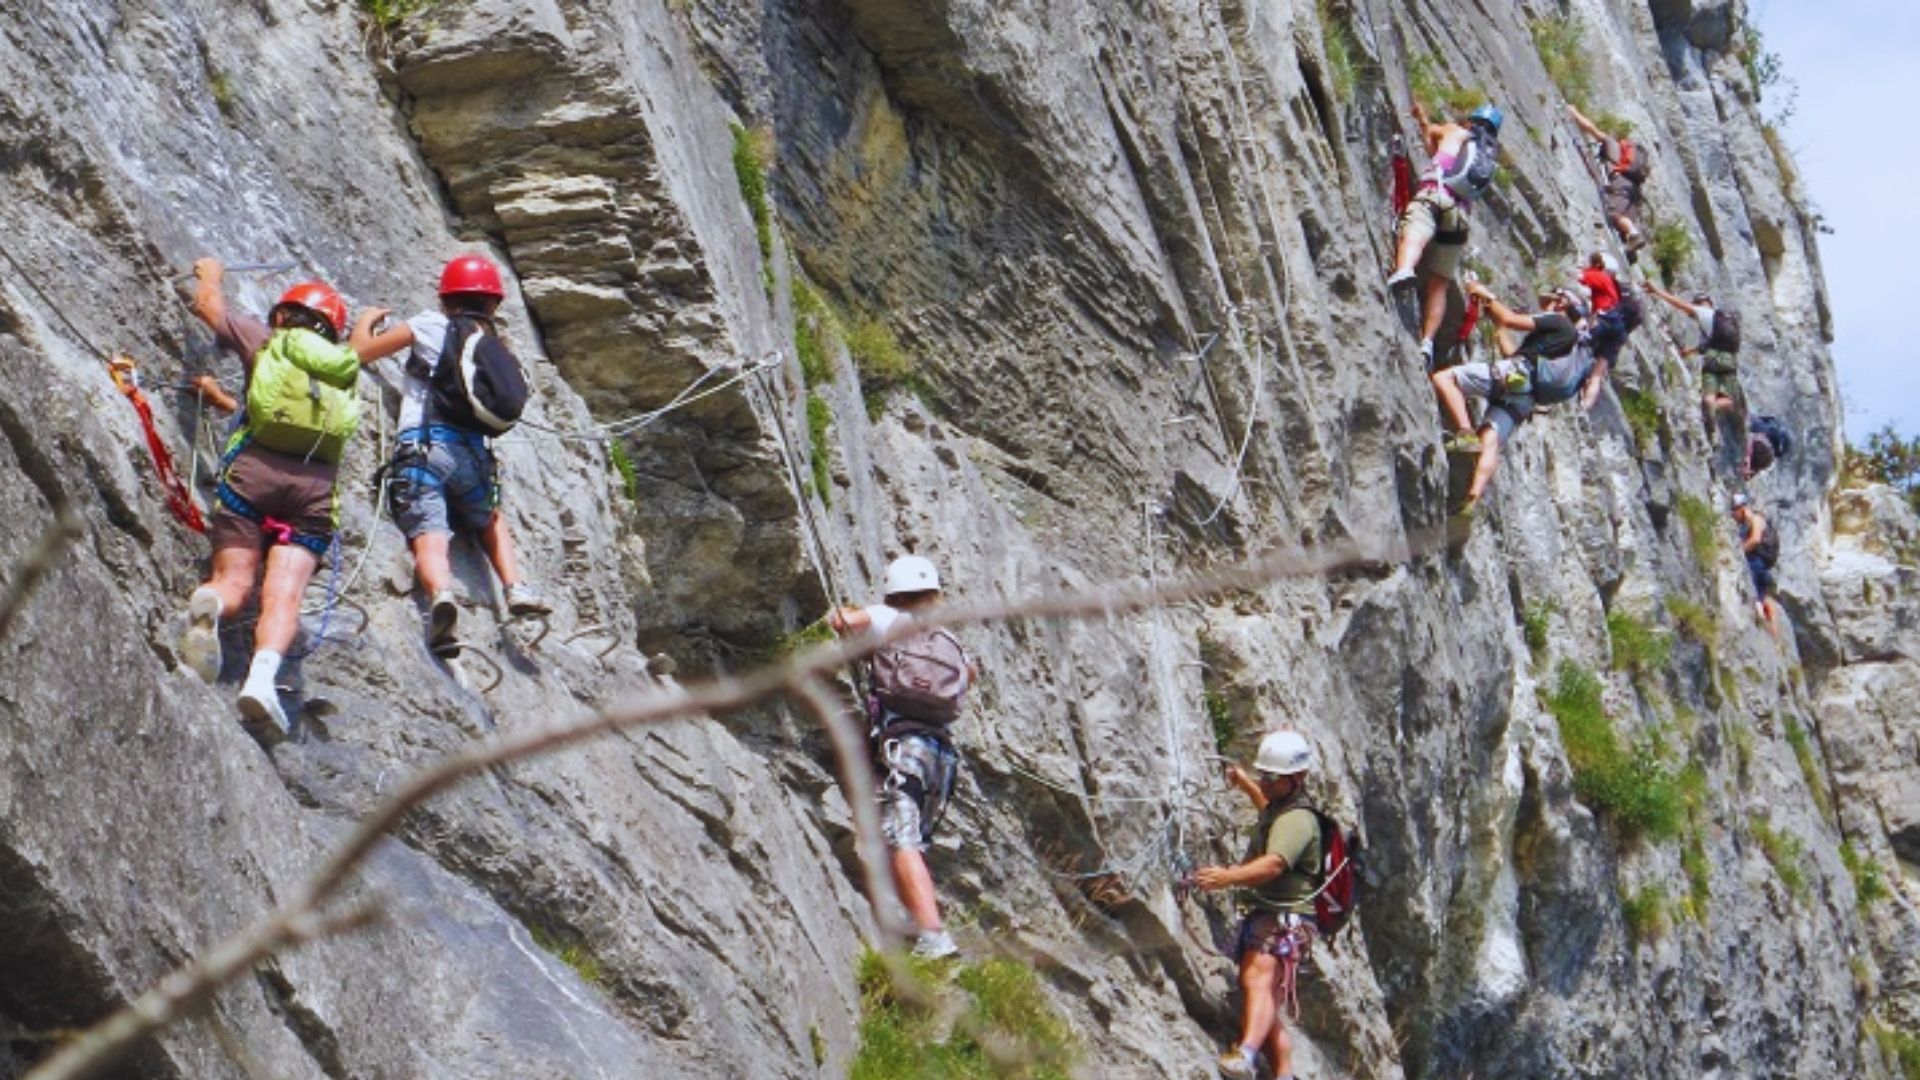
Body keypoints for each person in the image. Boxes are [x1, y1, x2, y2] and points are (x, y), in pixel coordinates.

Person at [177, 259, 391, 742]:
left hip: (253, 474)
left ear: (284, 316)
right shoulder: (342, 370)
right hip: (313, 494)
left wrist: (211, 273)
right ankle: (261, 679)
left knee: (234, 580)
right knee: (285, 595)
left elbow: (207, 307)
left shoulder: (269, 341)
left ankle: (215, 601)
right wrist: (223, 401)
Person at [361, 254, 550, 648]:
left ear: (446, 298)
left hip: (424, 446)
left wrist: (366, 321)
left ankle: (441, 595)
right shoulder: (495, 346)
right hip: (472, 455)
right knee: (490, 518)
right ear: (494, 304)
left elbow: (358, 353)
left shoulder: (429, 325)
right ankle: (516, 587)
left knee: (430, 529)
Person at [829, 555, 977, 960]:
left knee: (902, 839)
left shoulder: (885, 617)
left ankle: (932, 934)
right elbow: (971, 674)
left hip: (904, 743)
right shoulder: (949, 641)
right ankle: (910, 920)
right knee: (910, 839)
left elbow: (843, 622)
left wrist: (840, 613)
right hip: (941, 755)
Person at [1193, 730, 1320, 1080]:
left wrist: (1227, 877)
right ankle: (1285, 1074)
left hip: (1282, 919)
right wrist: (1246, 783)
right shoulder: (1282, 808)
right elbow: (1266, 811)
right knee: (1263, 1000)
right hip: (1277, 914)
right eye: (1263, 775)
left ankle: (1245, 1056)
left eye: (1272, 778)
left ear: (1297, 778)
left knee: (1257, 981)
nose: (1266, 783)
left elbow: (1275, 863)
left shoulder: (1297, 820)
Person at [1431, 283, 1592, 517]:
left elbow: (1508, 318)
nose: (1544, 304)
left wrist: (1486, 296)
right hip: (1526, 397)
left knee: (1445, 379)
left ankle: (1465, 432)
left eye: (1549, 300)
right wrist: (1498, 329)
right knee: (1491, 440)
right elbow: (1513, 351)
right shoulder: (1569, 343)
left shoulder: (1558, 322)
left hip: (1515, 375)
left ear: (1562, 303)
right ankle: (1472, 499)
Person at [1387, 102, 1505, 367]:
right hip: (1460, 217)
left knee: (1415, 230)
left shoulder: (1455, 131)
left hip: (1435, 194)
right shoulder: (1487, 157)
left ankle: (1405, 269)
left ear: (1471, 121)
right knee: (1439, 282)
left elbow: (1432, 140)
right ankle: (1427, 341)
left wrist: (1423, 119)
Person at [1643, 282, 1742, 430]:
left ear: (1702, 303)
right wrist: (1689, 352)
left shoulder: (1704, 312)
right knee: (1730, 399)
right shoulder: (1726, 319)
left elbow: (1680, 305)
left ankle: (1709, 402)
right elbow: (1706, 345)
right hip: (1729, 360)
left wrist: (1657, 292)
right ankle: (1714, 406)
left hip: (1712, 358)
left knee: (1710, 392)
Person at [1567, 105, 1650, 252]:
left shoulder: (1613, 145)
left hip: (1620, 183)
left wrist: (1575, 114)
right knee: (1624, 218)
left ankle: (1634, 235)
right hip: (1633, 192)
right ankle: (1630, 239)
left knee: (1613, 213)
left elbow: (1592, 129)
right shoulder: (1631, 166)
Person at [1578, 253, 1632, 410]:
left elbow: (1579, 277)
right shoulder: (1615, 288)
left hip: (1605, 319)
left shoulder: (1600, 277)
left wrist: (1582, 269)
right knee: (1597, 375)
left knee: (1578, 341)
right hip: (1618, 330)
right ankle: (1586, 407)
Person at [1732, 493, 1780, 632]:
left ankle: (1762, 625)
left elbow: (1755, 539)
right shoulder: (1748, 523)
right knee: (1764, 597)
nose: (1734, 517)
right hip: (1761, 563)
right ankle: (1774, 637)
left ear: (1741, 508)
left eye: (1734, 511)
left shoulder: (1756, 519)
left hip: (1756, 562)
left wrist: (1739, 552)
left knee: (1758, 597)